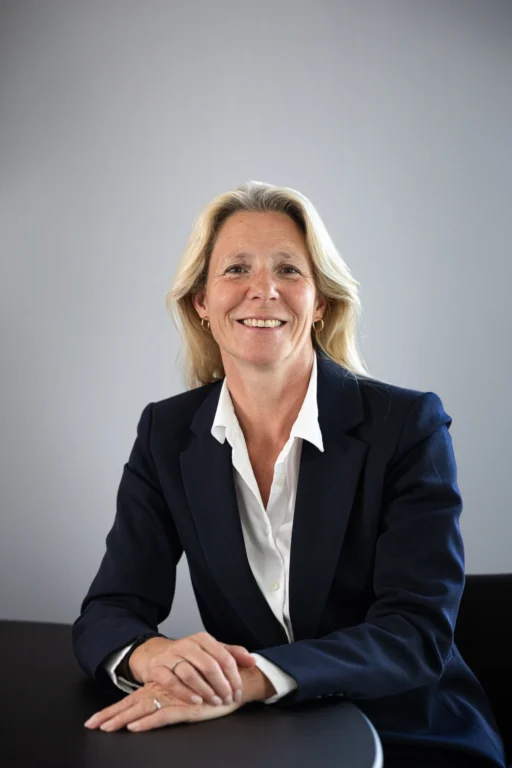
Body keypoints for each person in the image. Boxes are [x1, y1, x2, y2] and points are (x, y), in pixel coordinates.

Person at [73, 181, 506, 767]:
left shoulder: (406, 426)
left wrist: (246, 680)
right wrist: (151, 656)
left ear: (320, 301)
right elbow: (109, 608)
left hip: (409, 730)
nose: (264, 290)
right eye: (236, 269)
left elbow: (415, 633)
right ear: (201, 302)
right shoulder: (166, 434)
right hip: (262, 739)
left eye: (289, 270)